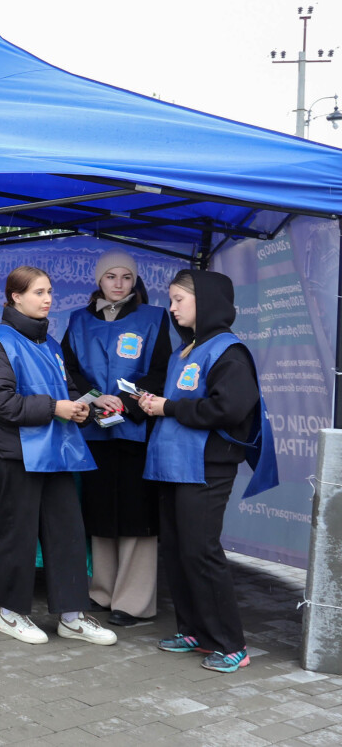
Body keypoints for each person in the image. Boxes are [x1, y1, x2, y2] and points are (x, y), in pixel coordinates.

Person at [139, 270, 278, 674]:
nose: (172, 307)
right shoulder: (185, 350)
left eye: (179, 299)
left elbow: (229, 410)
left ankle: (231, 643)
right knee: (179, 552)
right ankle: (195, 631)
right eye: (171, 299)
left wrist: (168, 407)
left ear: (207, 302)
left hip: (205, 466)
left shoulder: (229, 352)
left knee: (201, 551)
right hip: (172, 465)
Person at [0, 266, 118, 648]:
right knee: (16, 533)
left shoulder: (51, 345)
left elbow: (69, 393)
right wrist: (55, 407)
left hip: (56, 453)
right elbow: (1, 402)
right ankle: (11, 613)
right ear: (14, 297)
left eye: (50, 291)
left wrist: (84, 407)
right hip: (15, 452)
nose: (48, 298)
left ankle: (71, 616)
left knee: (67, 533)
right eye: (39, 292)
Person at [61, 251, 171, 627]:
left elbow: (161, 372)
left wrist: (125, 403)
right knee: (100, 512)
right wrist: (94, 398)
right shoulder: (78, 321)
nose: (119, 283)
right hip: (95, 429)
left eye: (126, 277)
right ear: (99, 280)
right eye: (111, 276)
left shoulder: (155, 319)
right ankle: (103, 592)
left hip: (136, 430)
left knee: (137, 515)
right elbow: (68, 369)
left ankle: (134, 601)